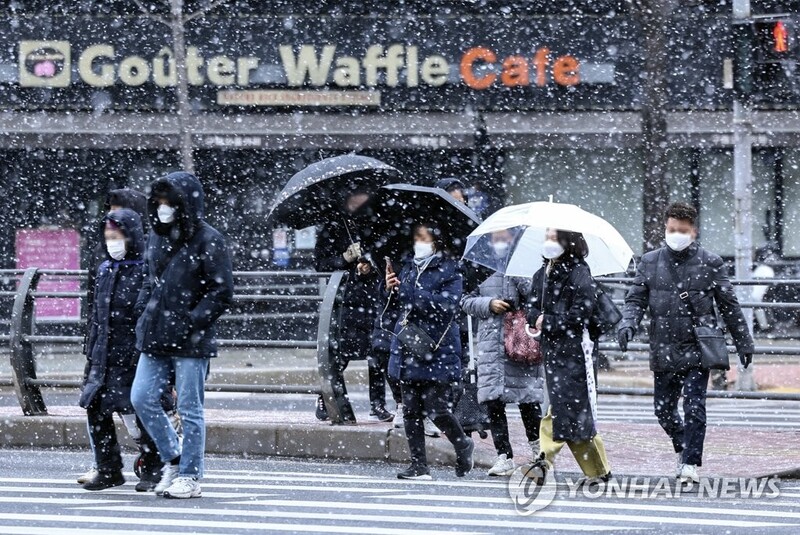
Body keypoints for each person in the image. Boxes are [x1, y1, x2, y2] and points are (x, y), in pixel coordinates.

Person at [617, 202, 754, 483]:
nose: (676, 234)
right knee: (663, 410)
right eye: (671, 229)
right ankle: (683, 446)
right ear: (665, 228)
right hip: (663, 344)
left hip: (697, 346)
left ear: (694, 231)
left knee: (694, 407)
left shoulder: (711, 262)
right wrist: (628, 323)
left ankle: (690, 462)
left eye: (682, 230)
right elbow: (636, 298)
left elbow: (729, 305)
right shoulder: (650, 261)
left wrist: (744, 341)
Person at [131, 171, 233, 499]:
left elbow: (222, 291)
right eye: (158, 202)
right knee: (141, 397)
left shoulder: (209, 238)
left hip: (191, 339)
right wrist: (144, 311)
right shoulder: (157, 236)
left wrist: (191, 322)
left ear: (184, 203)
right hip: (157, 333)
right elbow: (150, 279)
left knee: (190, 408)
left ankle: (190, 474)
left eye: (169, 202)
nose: (163, 208)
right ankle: (173, 458)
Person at [80, 208, 163, 492]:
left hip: (131, 354)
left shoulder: (143, 269)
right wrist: (91, 352)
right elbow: (96, 314)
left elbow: (144, 315)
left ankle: (153, 466)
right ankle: (108, 468)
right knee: (96, 409)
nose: (111, 242)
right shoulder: (105, 269)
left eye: (116, 236)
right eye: (107, 236)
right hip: (103, 355)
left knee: (140, 410)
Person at [385, 222, 473, 480]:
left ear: (436, 241)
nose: (419, 242)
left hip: (437, 349)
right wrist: (389, 287)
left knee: (437, 409)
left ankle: (462, 444)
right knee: (410, 408)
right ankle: (419, 466)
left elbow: (447, 306)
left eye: (424, 237)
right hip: (409, 345)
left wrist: (412, 293)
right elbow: (394, 305)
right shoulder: (409, 268)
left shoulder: (450, 270)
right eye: (416, 237)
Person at [527, 228, 612, 485]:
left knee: (562, 410)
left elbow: (580, 315)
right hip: (553, 350)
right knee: (574, 412)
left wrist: (547, 321)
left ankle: (543, 461)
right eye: (547, 237)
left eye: (554, 237)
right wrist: (536, 318)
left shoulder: (580, 273)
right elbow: (531, 306)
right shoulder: (542, 274)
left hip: (576, 351)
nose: (549, 243)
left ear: (567, 241)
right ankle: (598, 470)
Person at [461, 229, 544, 476]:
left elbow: (536, 295)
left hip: (519, 340)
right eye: (496, 237)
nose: (500, 242)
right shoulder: (478, 266)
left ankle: (538, 451)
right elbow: (465, 300)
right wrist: (488, 304)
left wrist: (517, 277)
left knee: (527, 400)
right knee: (493, 402)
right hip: (490, 343)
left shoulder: (525, 263)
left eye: (505, 237)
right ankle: (503, 456)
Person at [314, 191, 386, 422]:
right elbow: (321, 263)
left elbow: (386, 255)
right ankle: (327, 397)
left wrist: (370, 265)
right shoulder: (334, 227)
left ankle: (378, 403)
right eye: (355, 197)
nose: (360, 202)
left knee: (377, 352)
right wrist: (344, 259)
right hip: (346, 301)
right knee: (340, 353)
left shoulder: (377, 222)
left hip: (374, 297)